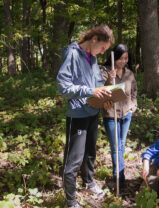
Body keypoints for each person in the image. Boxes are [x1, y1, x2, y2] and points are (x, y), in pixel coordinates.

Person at [57, 24, 114, 208]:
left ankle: (89, 183)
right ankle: (70, 201)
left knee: (90, 152)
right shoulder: (72, 54)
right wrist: (91, 91)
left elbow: (96, 82)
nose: (103, 52)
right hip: (78, 114)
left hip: (93, 112)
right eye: (102, 48)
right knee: (73, 159)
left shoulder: (93, 58)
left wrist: (105, 95)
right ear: (94, 39)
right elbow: (63, 87)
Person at [100, 44, 138, 187]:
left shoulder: (129, 73)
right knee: (116, 146)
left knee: (121, 144)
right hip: (111, 114)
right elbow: (102, 93)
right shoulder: (105, 71)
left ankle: (119, 173)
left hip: (126, 114)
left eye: (126, 58)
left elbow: (134, 91)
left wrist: (133, 104)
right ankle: (119, 177)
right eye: (120, 58)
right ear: (114, 58)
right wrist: (110, 79)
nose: (123, 61)